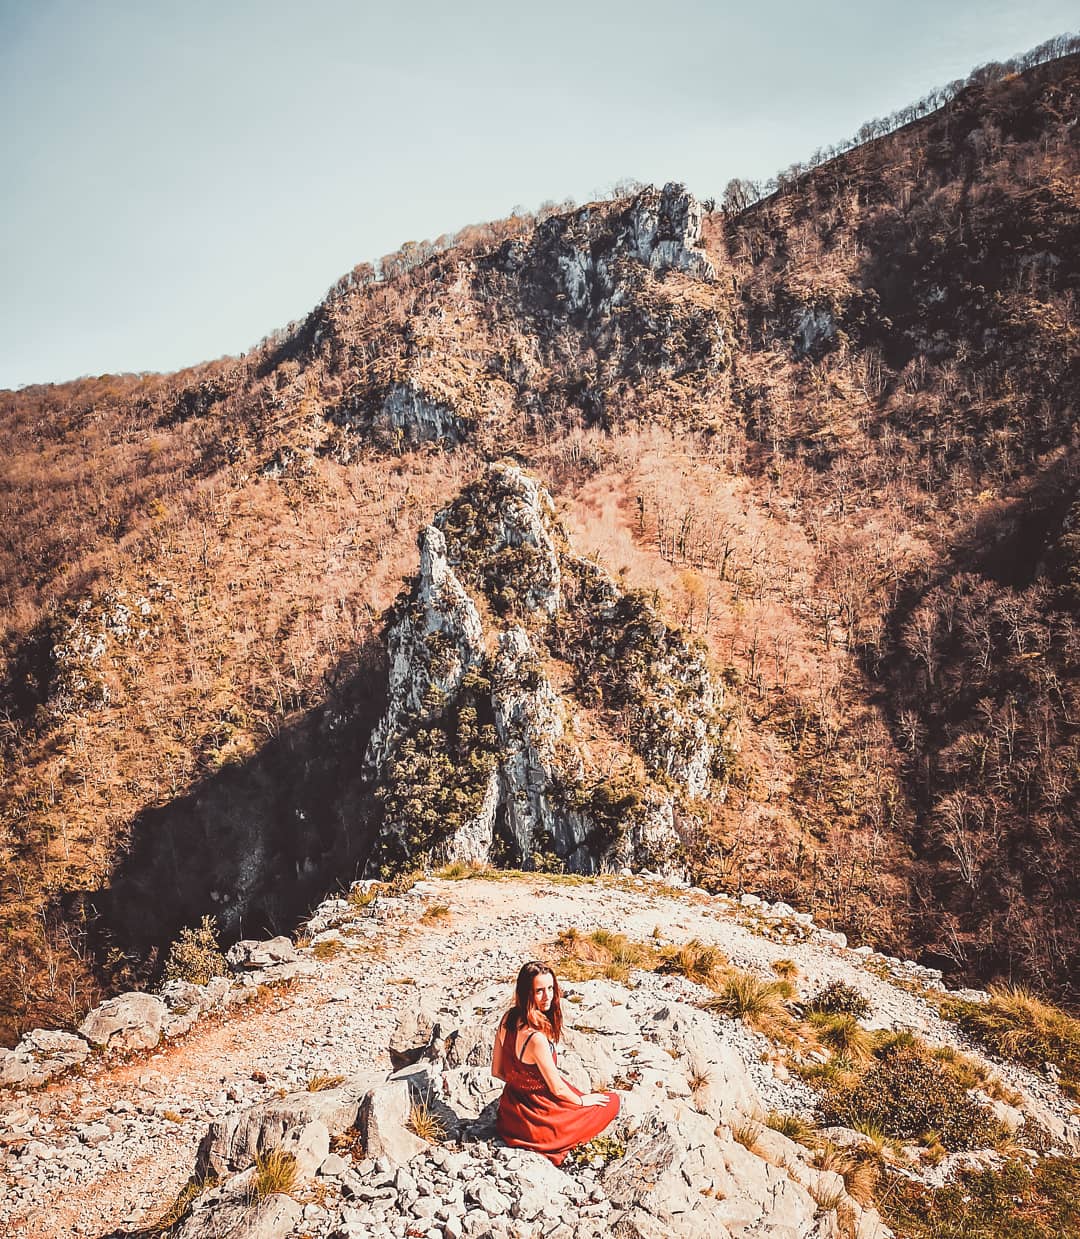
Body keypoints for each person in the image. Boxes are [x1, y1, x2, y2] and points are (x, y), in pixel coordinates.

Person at [491, 960, 620, 1166]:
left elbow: (497, 1071)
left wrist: (522, 1083)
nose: (548, 996)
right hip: (538, 1119)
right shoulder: (536, 1039)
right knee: (611, 1101)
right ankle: (555, 1140)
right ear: (527, 994)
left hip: (510, 1115)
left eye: (550, 988)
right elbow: (557, 1089)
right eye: (539, 991)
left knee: (580, 1093)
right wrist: (581, 1102)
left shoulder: (507, 1018)